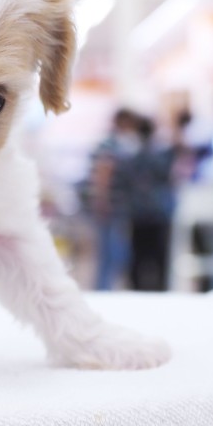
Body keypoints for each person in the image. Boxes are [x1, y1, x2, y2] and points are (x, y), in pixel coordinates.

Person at [81, 108, 140, 290]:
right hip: (108, 207)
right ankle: (104, 289)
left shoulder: (111, 143)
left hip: (109, 206)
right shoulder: (111, 144)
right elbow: (103, 174)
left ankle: (105, 288)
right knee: (110, 252)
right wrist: (102, 201)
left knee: (109, 252)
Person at [127, 116, 176, 291]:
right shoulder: (161, 155)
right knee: (159, 257)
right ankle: (160, 289)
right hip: (157, 213)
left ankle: (137, 290)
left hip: (139, 213)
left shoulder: (132, 157)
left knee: (138, 257)